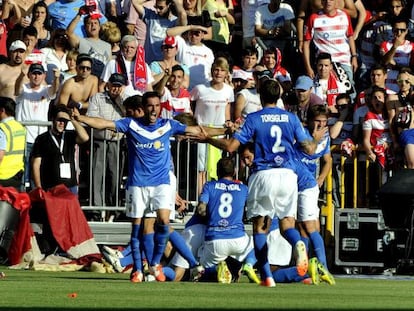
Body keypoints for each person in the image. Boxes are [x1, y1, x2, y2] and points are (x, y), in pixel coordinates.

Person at [74, 91, 223, 283]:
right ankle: (136, 269)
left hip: (161, 182)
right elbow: (103, 123)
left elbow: (197, 130)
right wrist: (81, 118)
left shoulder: (168, 124)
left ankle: (154, 264)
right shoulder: (131, 124)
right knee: (137, 228)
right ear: (144, 108)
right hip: (138, 183)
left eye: (157, 105)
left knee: (164, 222)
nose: (154, 110)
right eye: (150, 106)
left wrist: (225, 130)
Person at [200, 78, 324, 287]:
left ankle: (267, 277)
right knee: (287, 224)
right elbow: (310, 149)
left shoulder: (254, 118)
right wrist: (315, 138)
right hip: (287, 175)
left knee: (260, 228)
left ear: (259, 94)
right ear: (278, 96)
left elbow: (231, 147)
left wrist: (208, 139)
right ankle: (299, 245)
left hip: (264, 174)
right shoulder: (290, 118)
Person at [196, 156, 255, 283]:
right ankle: (249, 265)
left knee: (204, 270)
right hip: (237, 239)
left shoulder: (209, 186)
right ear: (234, 172)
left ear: (217, 172)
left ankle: (217, 269)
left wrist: (210, 214)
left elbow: (201, 209)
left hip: (215, 239)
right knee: (256, 243)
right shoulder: (243, 188)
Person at [15, 63, 60, 189]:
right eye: (34, 73)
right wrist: (21, 75)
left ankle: (36, 200)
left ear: (44, 75)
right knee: (23, 173)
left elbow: (54, 91)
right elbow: (16, 91)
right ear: (29, 75)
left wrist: (56, 78)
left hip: (40, 139)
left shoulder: (46, 90)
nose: (36, 76)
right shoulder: (24, 88)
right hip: (24, 138)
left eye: (39, 73)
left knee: (37, 173)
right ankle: (22, 201)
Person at [86, 73, 127, 207]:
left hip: (117, 143)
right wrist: (110, 125)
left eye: (119, 86)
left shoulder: (125, 100)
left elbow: (128, 119)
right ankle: (96, 208)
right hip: (99, 141)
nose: (116, 89)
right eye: (114, 85)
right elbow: (92, 118)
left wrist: (119, 102)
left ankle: (113, 208)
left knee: (115, 176)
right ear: (108, 85)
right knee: (96, 176)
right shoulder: (97, 98)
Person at [31, 104, 89, 194]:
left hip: (70, 186)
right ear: (53, 119)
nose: (62, 123)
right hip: (50, 187)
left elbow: (85, 137)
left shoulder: (69, 136)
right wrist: (39, 187)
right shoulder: (42, 138)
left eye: (65, 121)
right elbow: (36, 164)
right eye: (59, 120)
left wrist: (73, 120)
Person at [303, 0, 358, 86]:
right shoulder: (314, 18)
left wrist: (354, 56)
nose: (328, 2)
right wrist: (308, 67)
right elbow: (306, 44)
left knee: (348, 94)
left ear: (336, 1)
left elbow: (350, 37)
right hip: (324, 64)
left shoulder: (344, 16)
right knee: (324, 93)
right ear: (322, 2)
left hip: (343, 62)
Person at [167, 24, 215, 91]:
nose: (193, 36)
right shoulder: (182, 44)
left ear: (202, 35)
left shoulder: (208, 51)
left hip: (202, 90)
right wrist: (190, 27)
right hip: (184, 89)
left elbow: (209, 72)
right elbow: (169, 33)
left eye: (196, 34)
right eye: (191, 33)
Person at [67, 11, 112, 78]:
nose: (93, 25)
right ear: (85, 28)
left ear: (99, 27)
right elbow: (69, 32)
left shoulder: (108, 45)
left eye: (95, 23)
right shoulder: (81, 41)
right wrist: (79, 14)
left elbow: (110, 67)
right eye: (89, 23)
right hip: (86, 80)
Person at [0, 96, 26, 190]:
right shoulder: (20, 127)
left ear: (2, 110)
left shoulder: (2, 128)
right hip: (17, 175)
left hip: (2, 175)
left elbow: (0, 155)